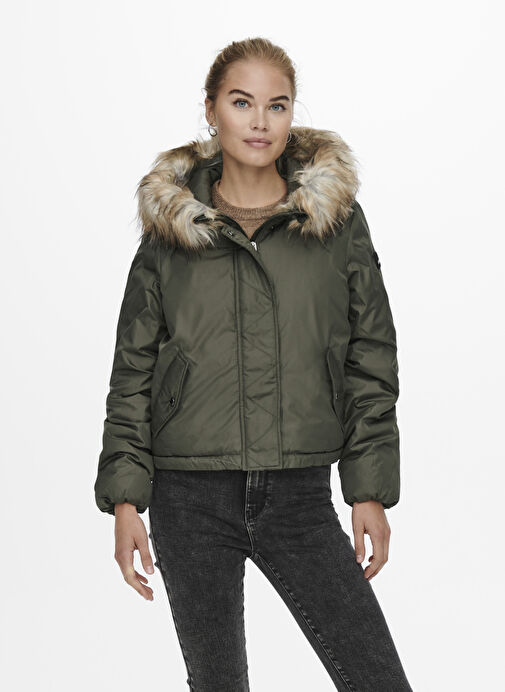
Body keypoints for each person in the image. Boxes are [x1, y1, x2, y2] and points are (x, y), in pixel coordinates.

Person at [94, 37, 413, 692]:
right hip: (188, 496)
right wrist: (127, 498)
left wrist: (369, 488)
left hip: (299, 493)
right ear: (211, 109)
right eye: (242, 103)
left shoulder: (335, 223)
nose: (260, 122)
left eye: (277, 105)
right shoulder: (171, 231)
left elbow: (370, 358)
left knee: (376, 678)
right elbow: (133, 369)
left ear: (292, 112)